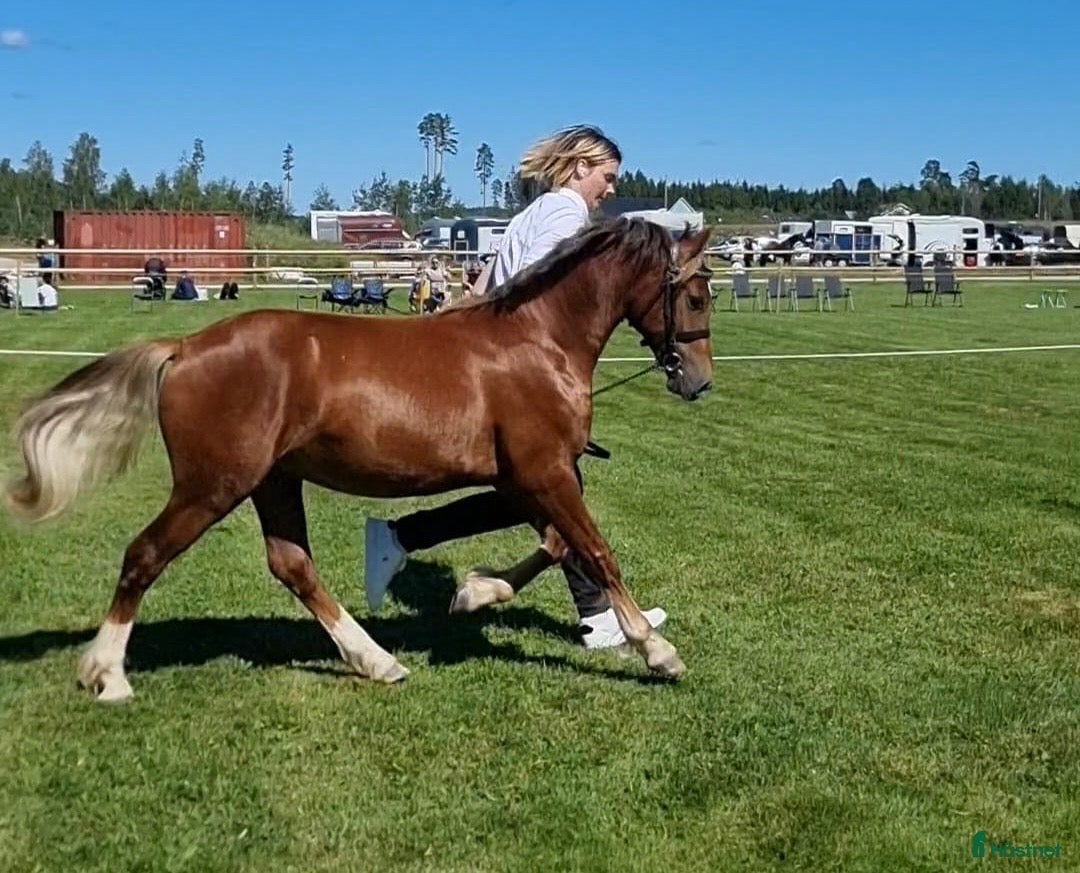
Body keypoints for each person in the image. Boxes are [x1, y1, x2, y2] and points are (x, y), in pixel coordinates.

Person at [363, 124, 667, 649]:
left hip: (501, 361)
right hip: (515, 370)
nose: (611, 189)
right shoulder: (567, 212)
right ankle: (596, 616)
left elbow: (488, 282)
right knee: (554, 491)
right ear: (580, 168)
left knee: (538, 493)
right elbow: (541, 285)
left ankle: (401, 538)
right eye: (608, 176)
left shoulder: (535, 211)